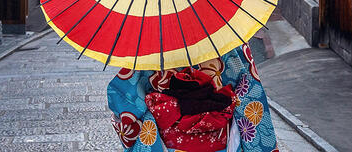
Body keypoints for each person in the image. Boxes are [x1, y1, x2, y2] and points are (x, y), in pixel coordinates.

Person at [107, 44, 279, 152]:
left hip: (170, 144)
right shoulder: (229, 42)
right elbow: (251, 98)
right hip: (222, 141)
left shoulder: (146, 50)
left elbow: (123, 102)